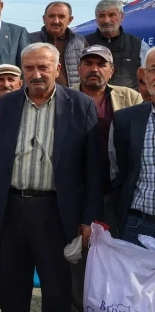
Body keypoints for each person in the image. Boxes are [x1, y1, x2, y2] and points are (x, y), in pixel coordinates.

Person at [0, 43, 102, 312]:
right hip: (11, 209)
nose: (36, 74)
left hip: (56, 212)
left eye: (43, 67)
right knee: (11, 286)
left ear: (57, 68)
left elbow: (94, 168)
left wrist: (86, 219)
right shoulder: (4, 106)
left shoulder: (80, 106)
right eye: (29, 68)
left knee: (57, 288)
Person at [70, 45, 141, 309]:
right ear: (79, 69)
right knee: (77, 257)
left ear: (111, 71)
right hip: (76, 191)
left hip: (116, 192)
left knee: (115, 256)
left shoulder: (130, 97)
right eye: (88, 63)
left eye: (101, 64)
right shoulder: (65, 98)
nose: (94, 69)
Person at [111, 47, 155, 248]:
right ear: (144, 75)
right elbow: (119, 171)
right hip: (137, 226)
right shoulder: (125, 119)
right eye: (153, 69)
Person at [85, 0, 149, 89]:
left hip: (129, 101)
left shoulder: (139, 45)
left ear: (121, 17)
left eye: (112, 15)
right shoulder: (83, 43)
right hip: (91, 101)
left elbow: (148, 77)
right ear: (96, 18)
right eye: (101, 16)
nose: (106, 20)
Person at [29, 1, 88, 87]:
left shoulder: (80, 41)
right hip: (38, 95)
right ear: (44, 19)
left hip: (72, 96)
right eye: (51, 16)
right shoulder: (30, 40)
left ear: (70, 20)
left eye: (61, 16)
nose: (56, 21)